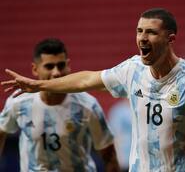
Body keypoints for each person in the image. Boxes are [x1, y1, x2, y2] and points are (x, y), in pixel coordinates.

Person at [1, 8, 185, 172]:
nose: (142, 37)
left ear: (170, 38)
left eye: (151, 32)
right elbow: (85, 79)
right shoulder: (132, 70)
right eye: (139, 31)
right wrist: (39, 85)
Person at [0, 38, 120, 172]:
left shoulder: (87, 105)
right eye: (49, 66)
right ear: (35, 69)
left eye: (61, 65)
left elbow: (109, 155)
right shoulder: (19, 102)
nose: (56, 72)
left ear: (68, 65)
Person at [108, 99, 132, 172]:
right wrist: (118, 158)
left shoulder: (144, 108)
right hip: (125, 157)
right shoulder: (118, 111)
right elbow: (115, 137)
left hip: (141, 158)